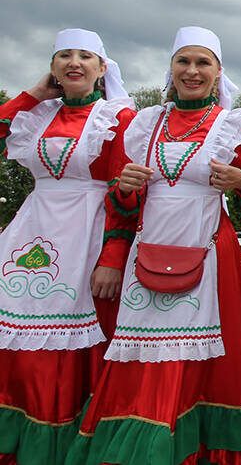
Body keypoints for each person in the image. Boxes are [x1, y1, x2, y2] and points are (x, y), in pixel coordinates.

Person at [69, 27, 241, 464]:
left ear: (218, 72)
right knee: (144, 356)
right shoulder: (143, 124)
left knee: (206, 363)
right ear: (171, 68)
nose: (192, 71)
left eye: (202, 62)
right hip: (148, 250)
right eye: (183, 61)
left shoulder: (234, 125)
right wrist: (125, 188)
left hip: (211, 254)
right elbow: (122, 205)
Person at [0, 30, 135, 463]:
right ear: (53, 67)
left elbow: (123, 191)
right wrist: (31, 95)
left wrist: (113, 257)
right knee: (16, 338)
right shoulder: (36, 115)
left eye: (85, 56)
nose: (74, 63)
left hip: (89, 233)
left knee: (80, 343)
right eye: (64, 56)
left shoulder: (117, 117)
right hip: (34, 230)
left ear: (102, 69)